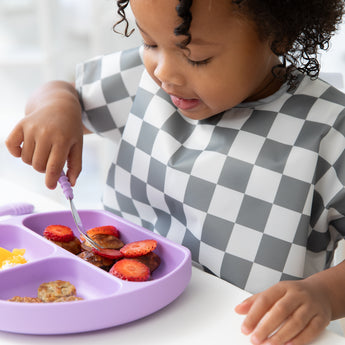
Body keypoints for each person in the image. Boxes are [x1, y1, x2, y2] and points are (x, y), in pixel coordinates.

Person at [5, 0, 345, 344]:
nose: (164, 72)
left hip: (237, 331)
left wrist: (323, 296)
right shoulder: (149, 80)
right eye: (149, 43)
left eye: (197, 57)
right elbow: (65, 88)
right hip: (115, 316)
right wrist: (55, 106)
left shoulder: (330, 130)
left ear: (279, 35)